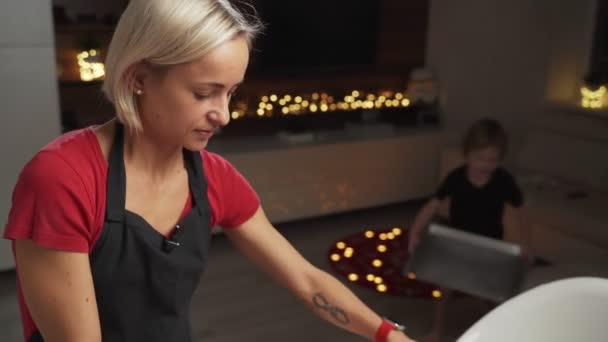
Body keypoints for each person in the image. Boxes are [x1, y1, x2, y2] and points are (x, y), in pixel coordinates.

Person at [2, 1, 416, 341]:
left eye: (231, 91)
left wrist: (389, 336)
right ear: (138, 77)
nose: (224, 115)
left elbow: (306, 281)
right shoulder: (63, 179)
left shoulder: (214, 178)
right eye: (205, 93)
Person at [407, 118, 531, 342]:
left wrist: (525, 243)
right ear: (467, 154)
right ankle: (437, 331)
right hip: (457, 243)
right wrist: (415, 231)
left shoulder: (504, 181)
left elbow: (521, 211)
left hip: (489, 243)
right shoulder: (456, 177)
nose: (485, 165)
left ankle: (497, 327)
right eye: (479, 158)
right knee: (444, 290)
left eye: (492, 160)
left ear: (500, 158)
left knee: (492, 291)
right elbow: (433, 204)